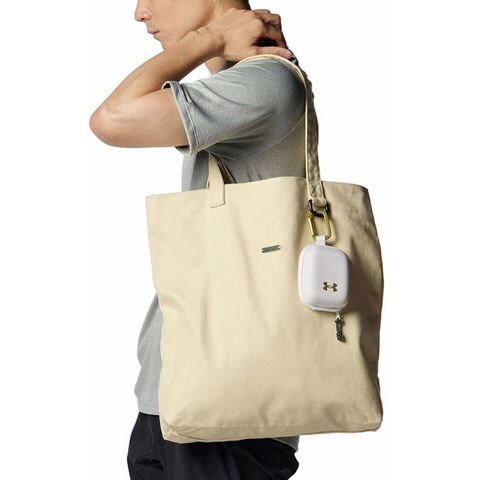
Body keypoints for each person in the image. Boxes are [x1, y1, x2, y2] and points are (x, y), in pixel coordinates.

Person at [90, 0, 312, 478]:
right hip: (173, 399)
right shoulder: (240, 83)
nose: (140, 12)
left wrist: (209, 38)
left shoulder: (265, 82)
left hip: (228, 412)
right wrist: (222, 44)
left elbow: (112, 119)